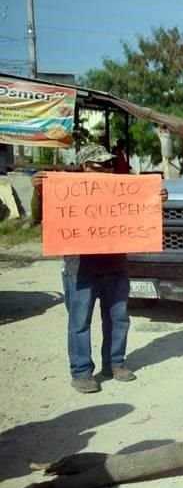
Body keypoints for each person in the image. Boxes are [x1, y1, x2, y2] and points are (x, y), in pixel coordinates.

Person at [32, 144, 168, 393]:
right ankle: (82, 371)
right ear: (84, 167)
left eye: (109, 164)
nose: (106, 169)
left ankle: (115, 363)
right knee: (80, 322)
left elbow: (142, 218)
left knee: (118, 318)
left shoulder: (122, 191)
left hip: (116, 266)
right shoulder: (66, 191)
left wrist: (156, 201)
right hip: (80, 269)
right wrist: (39, 193)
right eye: (99, 165)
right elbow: (37, 217)